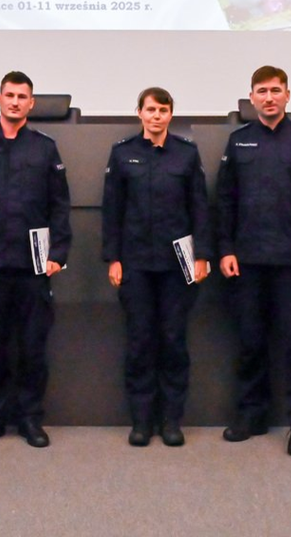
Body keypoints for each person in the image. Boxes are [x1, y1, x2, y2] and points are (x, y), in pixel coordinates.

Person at [217, 65, 291, 456]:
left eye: (276, 90)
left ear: (288, 95)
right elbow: (225, 202)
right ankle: (252, 414)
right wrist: (226, 249)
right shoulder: (238, 142)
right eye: (261, 91)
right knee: (250, 341)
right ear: (251, 97)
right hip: (247, 261)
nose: (269, 97)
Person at [0, 71, 72, 448]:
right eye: (9, 95)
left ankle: (29, 419)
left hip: (33, 267)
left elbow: (59, 206)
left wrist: (57, 254)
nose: (15, 102)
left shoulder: (44, 148)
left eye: (23, 96)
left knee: (32, 348)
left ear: (31, 103)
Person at [102, 87, 211, 447]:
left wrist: (202, 255)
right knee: (140, 342)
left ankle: (171, 420)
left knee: (173, 340)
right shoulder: (122, 154)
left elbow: (199, 208)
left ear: (170, 114)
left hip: (178, 266)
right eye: (150, 109)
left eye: (163, 110)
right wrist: (113, 258)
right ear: (139, 113)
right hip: (134, 264)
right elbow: (112, 210)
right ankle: (142, 420)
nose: (156, 116)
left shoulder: (186, 153)